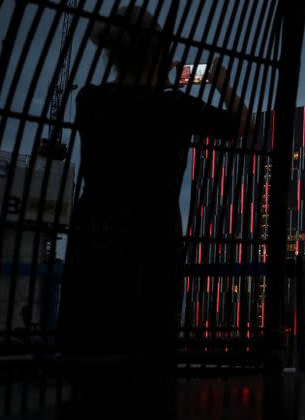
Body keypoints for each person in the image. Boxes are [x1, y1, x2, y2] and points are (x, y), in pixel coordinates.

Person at [57, 4, 250, 355]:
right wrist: (220, 82)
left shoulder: (91, 100)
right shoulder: (173, 107)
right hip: (153, 238)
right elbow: (243, 125)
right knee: (147, 345)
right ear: (160, 55)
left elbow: (131, 107)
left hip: (95, 232)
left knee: (93, 343)